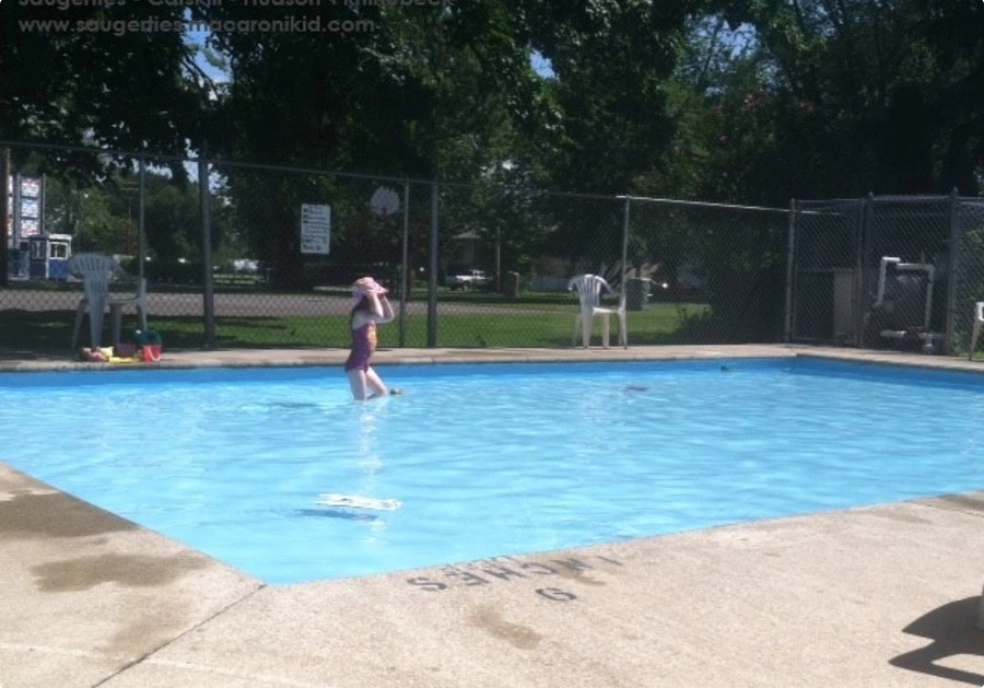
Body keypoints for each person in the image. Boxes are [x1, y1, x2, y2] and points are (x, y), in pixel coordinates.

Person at [345, 276, 397, 400]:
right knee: (360, 402)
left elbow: (389, 317)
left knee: (381, 393)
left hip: (364, 365)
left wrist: (383, 299)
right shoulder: (360, 315)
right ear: (366, 298)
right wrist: (373, 295)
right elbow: (379, 314)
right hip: (355, 366)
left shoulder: (369, 317)